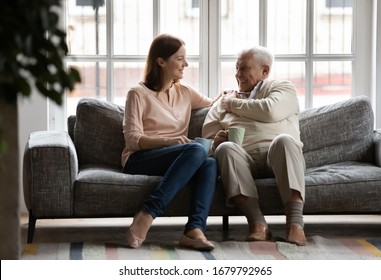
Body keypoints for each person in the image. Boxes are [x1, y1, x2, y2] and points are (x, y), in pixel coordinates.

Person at [122, 34, 220, 251]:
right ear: (161, 61)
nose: (186, 64)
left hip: (177, 156)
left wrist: (234, 97)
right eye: (180, 59)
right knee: (195, 150)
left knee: (210, 162)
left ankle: (194, 230)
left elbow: (214, 103)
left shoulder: (185, 92)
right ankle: (147, 214)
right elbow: (133, 140)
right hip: (139, 158)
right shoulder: (138, 94)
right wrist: (170, 141)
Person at [202, 46, 307, 246]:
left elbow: (270, 111)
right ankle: (257, 224)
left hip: (276, 156)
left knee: (284, 140)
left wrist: (231, 104)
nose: (237, 74)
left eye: (244, 69)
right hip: (243, 159)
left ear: (265, 71)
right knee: (226, 149)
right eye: (236, 68)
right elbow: (206, 140)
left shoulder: (282, 88)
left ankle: (295, 225)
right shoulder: (221, 104)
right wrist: (215, 142)